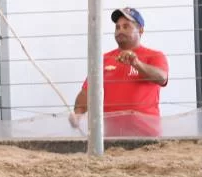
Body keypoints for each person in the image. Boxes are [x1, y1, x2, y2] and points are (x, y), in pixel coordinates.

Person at [68, 7, 169, 137]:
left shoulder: (154, 56)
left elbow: (162, 78)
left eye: (126, 26)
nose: (120, 30)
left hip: (147, 138)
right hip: (110, 138)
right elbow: (87, 93)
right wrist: (77, 115)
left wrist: (136, 63)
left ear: (141, 30)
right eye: (117, 27)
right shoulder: (103, 59)